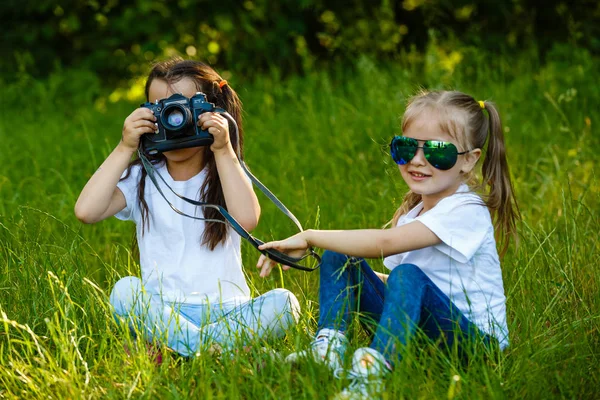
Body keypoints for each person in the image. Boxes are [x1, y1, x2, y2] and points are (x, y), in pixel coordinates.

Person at [256, 90, 520, 398]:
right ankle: (327, 351)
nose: (417, 160)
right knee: (343, 255)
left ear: (468, 161)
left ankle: (371, 376)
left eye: (438, 152)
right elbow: (398, 287)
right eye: (407, 147)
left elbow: (385, 244)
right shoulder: (416, 214)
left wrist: (310, 235)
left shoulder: (466, 210)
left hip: (476, 347)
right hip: (423, 335)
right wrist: (347, 276)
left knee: (407, 273)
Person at [75, 57, 300, 358]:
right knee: (124, 291)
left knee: (286, 303)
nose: (174, 119)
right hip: (163, 311)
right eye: (161, 109)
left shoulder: (225, 169)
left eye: (183, 107)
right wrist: (125, 146)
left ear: (212, 111)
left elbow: (246, 220)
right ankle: (225, 352)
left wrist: (224, 149)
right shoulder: (142, 175)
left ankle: (176, 349)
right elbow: (86, 211)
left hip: (228, 310)